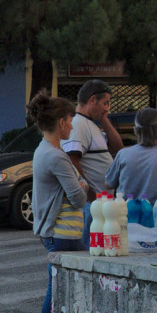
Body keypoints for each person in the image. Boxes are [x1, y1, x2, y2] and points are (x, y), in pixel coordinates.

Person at [29, 91, 88, 313]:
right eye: (71, 120)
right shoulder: (56, 156)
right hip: (63, 231)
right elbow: (77, 196)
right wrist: (83, 186)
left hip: (55, 231)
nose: (73, 125)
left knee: (57, 291)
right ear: (62, 122)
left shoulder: (45, 150)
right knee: (58, 293)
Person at [62, 79, 124, 243]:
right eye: (105, 102)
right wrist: (89, 194)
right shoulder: (78, 123)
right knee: (90, 250)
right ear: (92, 100)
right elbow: (72, 160)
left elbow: (118, 150)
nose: (107, 107)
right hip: (92, 205)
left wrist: (105, 120)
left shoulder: (91, 124)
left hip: (101, 204)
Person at [104, 107, 157, 208]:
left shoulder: (122, 154)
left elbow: (108, 184)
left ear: (135, 130)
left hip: (126, 216)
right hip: (155, 218)